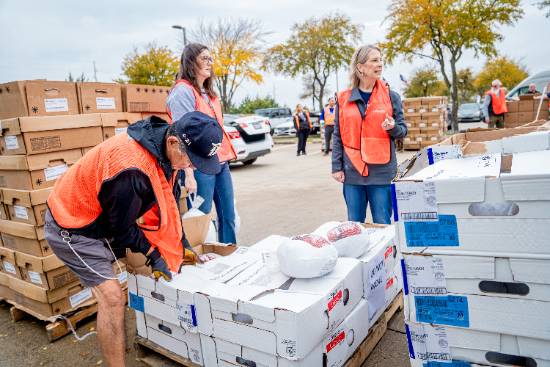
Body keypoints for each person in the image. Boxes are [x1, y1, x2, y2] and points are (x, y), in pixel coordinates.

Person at [44, 112, 223, 367]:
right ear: (173, 143)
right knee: (113, 298)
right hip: (72, 223)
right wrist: (154, 255)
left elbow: (169, 204)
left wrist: (182, 245)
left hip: (102, 215)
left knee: (126, 285)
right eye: (192, 160)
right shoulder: (131, 169)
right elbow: (122, 229)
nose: (192, 167)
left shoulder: (164, 150)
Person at [166, 43, 238, 244]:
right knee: (200, 217)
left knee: (228, 216)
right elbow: (181, 135)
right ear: (191, 62)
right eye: (204, 58)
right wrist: (188, 175)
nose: (210, 62)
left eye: (211, 59)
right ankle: (200, 259)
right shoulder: (183, 92)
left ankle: (228, 252)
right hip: (199, 167)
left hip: (220, 162)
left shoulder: (209, 93)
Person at [332, 44, 407, 224]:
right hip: (352, 172)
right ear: (360, 67)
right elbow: (338, 135)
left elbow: (403, 131)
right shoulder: (343, 99)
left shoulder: (391, 96)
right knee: (355, 225)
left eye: (381, 60)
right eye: (374, 60)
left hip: (381, 173)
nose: (379, 64)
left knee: (382, 222)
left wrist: (392, 127)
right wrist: (336, 166)